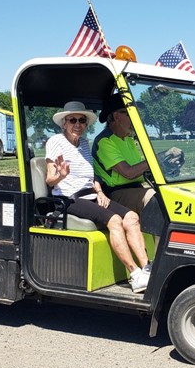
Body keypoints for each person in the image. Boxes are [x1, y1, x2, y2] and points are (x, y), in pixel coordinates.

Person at [45, 101, 151, 293]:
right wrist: (61, 175)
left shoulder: (85, 144)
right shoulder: (55, 142)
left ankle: (147, 268)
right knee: (115, 220)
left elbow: (92, 175)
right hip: (70, 199)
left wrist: (100, 192)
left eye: (82, 120)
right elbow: (50, 180)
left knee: (132, 218)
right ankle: (135, 274)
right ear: (64, 123)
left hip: (91, 195)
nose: (78, 124)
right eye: (73, 120)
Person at [92, 93, 157, 213]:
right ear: (116, 116)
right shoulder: (104, 141)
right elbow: (129, 173)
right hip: (116, 194)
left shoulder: (128, 139)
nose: (136, 118)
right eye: (131, 114)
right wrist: (157, 160)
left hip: (136, 188)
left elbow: (140, 169)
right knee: (156, 198)